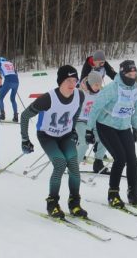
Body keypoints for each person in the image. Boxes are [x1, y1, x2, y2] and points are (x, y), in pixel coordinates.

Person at [20, 65, 87, 218]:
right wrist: (25, 139)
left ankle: (74, 203)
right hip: (47, 136)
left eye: (74, 80)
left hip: (65, 135)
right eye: (68, 80)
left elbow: (75, 113)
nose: (72, 84)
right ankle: (52, 203)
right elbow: (24, 116)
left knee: (73, 163)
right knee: (60, 162)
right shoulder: (47, 98)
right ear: (60, 82)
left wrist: (74, 129)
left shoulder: (79, 96)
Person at [86, 59, 137, 208]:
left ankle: (133, 193)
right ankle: (113, 194)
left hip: (124, 126)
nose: (132, 77)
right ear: (122, 74)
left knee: (132, 159)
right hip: (106, 125)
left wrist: (135, 128)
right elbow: (96, 108)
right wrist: (89, 130)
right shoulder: (112, 88)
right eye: (129, 74)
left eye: (134, 74)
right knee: (120, 158)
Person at [76, 71, 109, 173]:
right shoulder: (79, 92)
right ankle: (73, 166)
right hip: (79, 121)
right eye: (96, 85)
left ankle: (98, 163)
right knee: (84, 143)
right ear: (90, 83)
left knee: (104, 138)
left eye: (100, 85)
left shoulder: (101, 93)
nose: (98, 87)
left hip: (93, 121)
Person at [0, 56, 20, 122]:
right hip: (16, 82)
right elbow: (15, 73)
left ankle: (2, 115)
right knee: (12, 99)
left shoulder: (0, 63)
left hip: (8, 81)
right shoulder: (10, 63)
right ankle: (16, 116)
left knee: (0, 98)